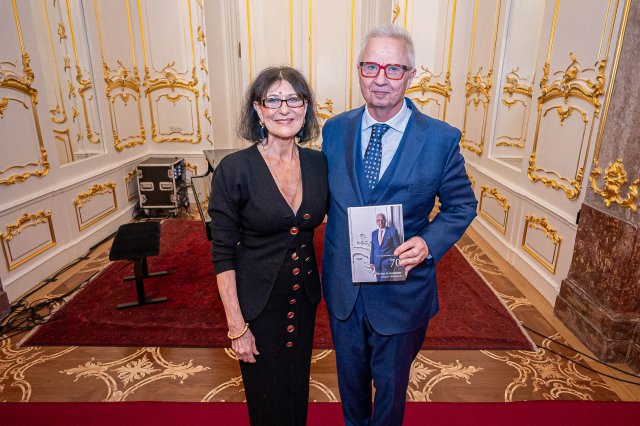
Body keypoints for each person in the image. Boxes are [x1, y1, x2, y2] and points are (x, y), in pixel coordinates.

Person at [321, 25, 477, 425]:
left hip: (401, 293)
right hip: (344, 289)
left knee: (390, 394)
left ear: (411, 75)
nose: (380, 79)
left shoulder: (440, 139)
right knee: (350, 387)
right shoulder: (334, 130)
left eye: (393, 69)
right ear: (359, 70)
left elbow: (462, 205)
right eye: (371, 66)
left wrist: (427, 243)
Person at [208, 66, 328, 426]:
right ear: (258, 110)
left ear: (305, 108)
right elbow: (222, 253)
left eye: (294, 99)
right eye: (273, 100)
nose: (284, 109)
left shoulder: (319, 164)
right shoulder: (234, 169)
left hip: (303, 299)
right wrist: (236, 326)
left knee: (296, 387)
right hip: (257, 305)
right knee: (266, 395)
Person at [369, 213, 401, 281]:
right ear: (376, 221)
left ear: (385, 220)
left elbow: (398, 248)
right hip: (376, 264)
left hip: (387, 264)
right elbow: (372, 249)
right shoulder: (373, 233)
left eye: (382, 220)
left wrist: (392, 261)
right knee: (378, 283)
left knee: (384, 283)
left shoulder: (392, 231)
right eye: (378, 220)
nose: (380, 222)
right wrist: (371, 262)